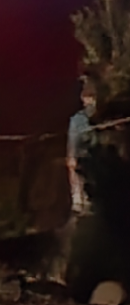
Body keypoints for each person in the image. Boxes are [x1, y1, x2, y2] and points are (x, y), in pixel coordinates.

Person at [67, 76, 98, 217]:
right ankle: (78, 201)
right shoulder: (78, 118)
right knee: (77, 176)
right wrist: (72, 155)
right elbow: (74, 137)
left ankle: (86, 201)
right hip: (80, 152)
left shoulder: (94, 116)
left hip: (90, 152)